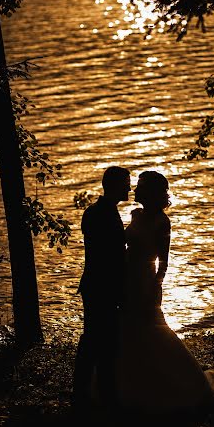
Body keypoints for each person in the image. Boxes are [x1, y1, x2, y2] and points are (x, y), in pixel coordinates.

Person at [106, 170, 214, 413]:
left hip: (145, 282)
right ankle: (131, 383)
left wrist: (154, 287)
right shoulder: (136, 215)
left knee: (152, 331)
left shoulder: (161, 222)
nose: (135, 189)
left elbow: (164, 262)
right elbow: (123, 245)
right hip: (128, 279)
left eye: (141, 186)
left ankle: (178, 383)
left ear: (152, 192)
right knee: (129, 331)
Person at [72, 165, 131, 409]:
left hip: (98, 284)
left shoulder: (101, 211)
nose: (129, 187)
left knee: (99, 338)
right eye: (126, 183)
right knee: (98, 340)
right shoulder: (100, 214)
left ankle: (92, 389)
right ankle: (92, 391)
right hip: (101, 286)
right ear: (115, 185)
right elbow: (108, 256)